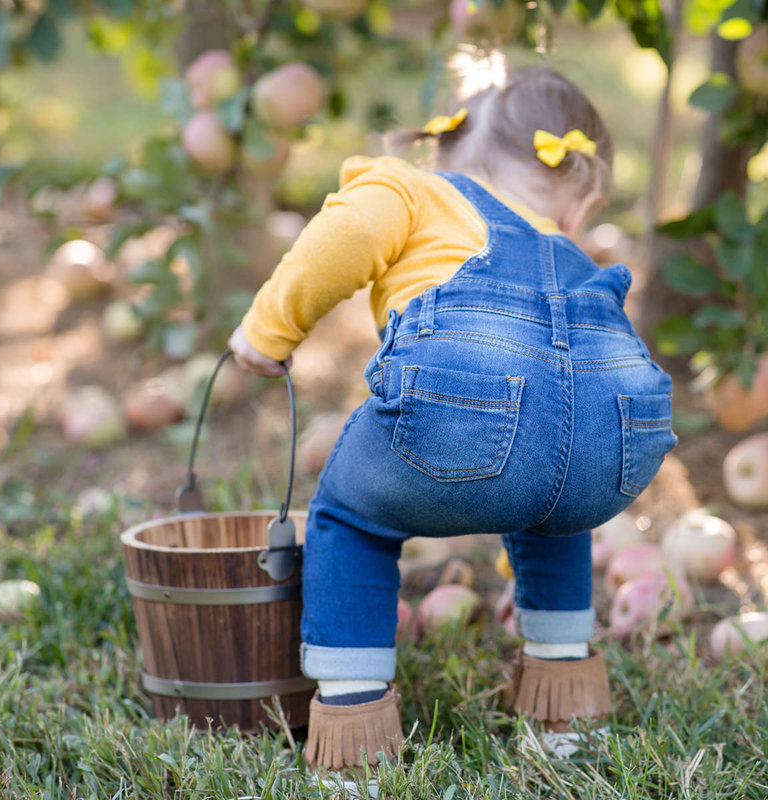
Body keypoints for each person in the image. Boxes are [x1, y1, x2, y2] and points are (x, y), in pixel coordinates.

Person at [228, 64, 677, 777]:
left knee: (349, 518)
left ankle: (352, 738)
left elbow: (348, 233)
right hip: (615, 442)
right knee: (557, 517)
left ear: (445, 149)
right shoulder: (569, 251)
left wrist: (267, 332)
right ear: (572, 190)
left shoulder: (413, 188)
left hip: (463, 412)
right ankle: (565, 717)